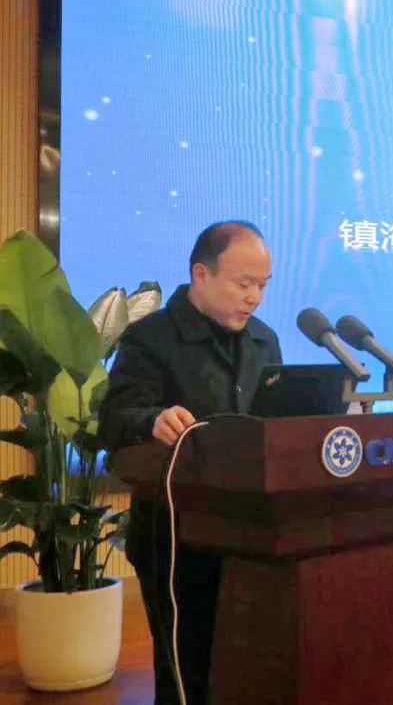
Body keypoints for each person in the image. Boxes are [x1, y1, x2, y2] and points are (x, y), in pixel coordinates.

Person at [100, 221, 280, 705]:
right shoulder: (150, 338)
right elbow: (113, 421)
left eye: (263, 286)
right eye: (244, 284)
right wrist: (151, 420)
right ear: (201, 274)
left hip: (250, 535)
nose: (254, 297)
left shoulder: (264, 340)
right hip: (175, 538)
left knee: (246, 666)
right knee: (186, 672)